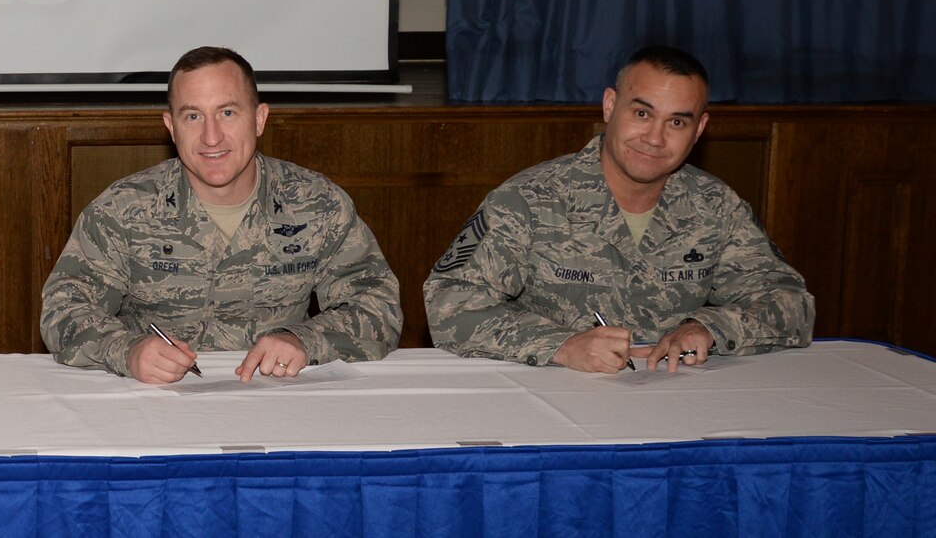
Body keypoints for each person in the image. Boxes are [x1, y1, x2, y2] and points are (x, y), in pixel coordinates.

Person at [424, 45, 814, 372]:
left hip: (679, 401)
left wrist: (710, 327)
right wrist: (561, 346)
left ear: (699, 130)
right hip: (555, 398)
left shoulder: (715, 206)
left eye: (677, 122)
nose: (655, 138)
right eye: (642, 114)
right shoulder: (529, 200)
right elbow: (448, 302)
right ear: (610, 106)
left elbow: (790, 301)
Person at [40, 46, 402, 383]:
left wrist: (304, 340)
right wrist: (127, 351)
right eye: (193, 116)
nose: (211, 137)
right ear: (171, 127)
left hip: (280, 398)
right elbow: (63, 309)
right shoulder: (124, 208)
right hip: (156, 406)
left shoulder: (317, 203)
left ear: (259, 119)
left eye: (227, 112)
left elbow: (378, 307)